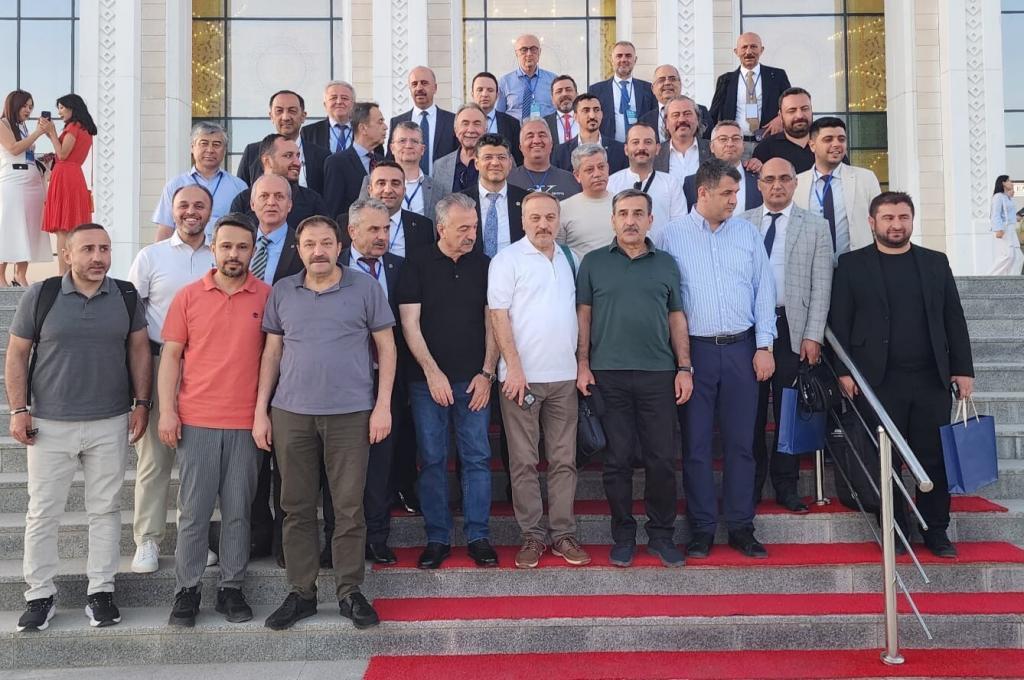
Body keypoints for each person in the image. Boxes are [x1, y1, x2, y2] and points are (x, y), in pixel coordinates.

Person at [6, 223, 150, 631]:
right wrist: (18, 409)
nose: (98, 257)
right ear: (67, 254)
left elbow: (140, 350)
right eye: (87, 249)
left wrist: (142, 404)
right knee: (42, 512)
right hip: (49, 424)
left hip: (109, 421)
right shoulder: (42, 294)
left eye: (104, 248)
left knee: (105, 510)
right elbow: (16, 354)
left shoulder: (125, 295)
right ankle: (39, 595)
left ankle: (101, 591)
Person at [256, 215, 396, 631]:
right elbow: (271, 353)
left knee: (349, 507)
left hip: (351, 414)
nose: (318, 251)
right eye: (309, 244)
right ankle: (301, 592)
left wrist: (383, 406)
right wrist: (261, 411)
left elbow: (387, 349)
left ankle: (350, 591)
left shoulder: (365, 288)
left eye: (326, 243)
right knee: (295, 507)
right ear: (298, 249)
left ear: (340, 246)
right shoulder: (283, 291)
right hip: (291, 413)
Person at [829, 192, 974, 558]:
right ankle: (896, 528)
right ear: (872, 222)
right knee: (884, 459)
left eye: (903, 217)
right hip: (876, 381)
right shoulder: (851, 265)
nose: (896, 225)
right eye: (888, 218)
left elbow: (953, 318)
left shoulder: (935, 262)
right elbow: (840, 321)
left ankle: (936, 529)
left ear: (912, 220)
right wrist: (844, 372)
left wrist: (963, 369)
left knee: (933, 457)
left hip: (931, 379)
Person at [658, 159, 776, 560]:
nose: (734, 200)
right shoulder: (671, 236)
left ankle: (742, 526)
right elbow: (666, 300)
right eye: (727, 193)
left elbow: (763, 290)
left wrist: (764, 346)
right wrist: (679, 362)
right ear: (702, 193)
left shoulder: (747, 233)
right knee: (695, 445)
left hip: (743, 350)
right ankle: (702, 528)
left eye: (736, 192)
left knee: (742, 443)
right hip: (696, 353)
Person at [161, 214, 271, 627]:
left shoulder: (267, 296)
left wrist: (263, 415)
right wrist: (167, 410)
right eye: (226, 246)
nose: (233, 254)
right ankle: (186, 591)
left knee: (239, 511)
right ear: (213, 248)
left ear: (253, 250)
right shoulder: (188, 297)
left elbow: (272, 358)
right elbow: (171, 357)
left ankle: (231, 588)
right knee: (194, 511)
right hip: (198, 420)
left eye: (242, 247)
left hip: (245, 423)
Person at [576, 189, 692, 568]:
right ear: (612, 220)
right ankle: (623, 535)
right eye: (623, 213)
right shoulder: (593, 263)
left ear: (650, 220)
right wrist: (582, 364)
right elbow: (583, 317)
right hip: (607, 375)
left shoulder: (667, 264)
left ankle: (661, 535)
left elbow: (676, 317)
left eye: (638, 213)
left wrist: (685, 367)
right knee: (617, 460)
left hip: (659, 374)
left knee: (662, 459)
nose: (630, 220)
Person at [397, 193, 500, 570]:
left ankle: (478, 537)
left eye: (474, 227)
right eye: (463, 228)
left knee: (477, 458)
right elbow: (409, 324)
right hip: (428, 384)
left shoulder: (485, 265)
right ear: (441, 228)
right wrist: (432, 372)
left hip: (475, 382)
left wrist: (487, 373)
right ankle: (437, 538)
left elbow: (493, 321)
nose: (471, 234)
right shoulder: (417, 263)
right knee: (433, 459)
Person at [489, 191, 590, 568]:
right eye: (535, 218)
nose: (543, 224)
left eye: (550, 217)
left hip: (564, 377)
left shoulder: (571, 258)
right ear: (523, 221)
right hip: (521, 381)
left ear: (559, 220)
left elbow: (581, 314)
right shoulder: (506, 260)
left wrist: (582, 362)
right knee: (524, 462)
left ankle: (563, 534)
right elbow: (498, 316)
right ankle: (532, 536)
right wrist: (513, 368)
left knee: (564, 460)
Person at [128, 184, 217, 575]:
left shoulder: (220, 254)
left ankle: (191, 538)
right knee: (154, 458)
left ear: (210, 211)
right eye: (183, 205)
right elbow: (132, 320)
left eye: (199, 205)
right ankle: (147, 539)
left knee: (198, 462)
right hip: (160, 361)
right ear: (172, 210)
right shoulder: (151, 256)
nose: (191, 212)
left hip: (208, 370)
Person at [738, 157, 833, 512]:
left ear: (795, 183)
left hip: (792, 327)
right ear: (759, 184)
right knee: (751, 411)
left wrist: (814, 335)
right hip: (749, 330)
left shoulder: (815, 226)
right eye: (769, 179)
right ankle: (750, 483)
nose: (776, 185)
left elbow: (822, 285)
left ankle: (786, 484)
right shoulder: (741, 223)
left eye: (784, 179)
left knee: (789, 409)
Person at [338, 198, 409, 564]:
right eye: (373, 229)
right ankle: (339, 539)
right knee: (340, 465)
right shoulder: (333, 267)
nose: (382, 236)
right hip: (342, 381)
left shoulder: (400, 267)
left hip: (387, 379)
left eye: (386, 228)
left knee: (381, 463)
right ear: (352, 231)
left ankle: (377, 537)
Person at [246, 174, 305, 565]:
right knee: (250, 462)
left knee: (287, 460)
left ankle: (287, 541)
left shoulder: (304, 247)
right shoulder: (238, 243)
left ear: (289, 205)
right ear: (252, 203)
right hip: (240, 363)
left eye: (279, 196)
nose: (271, 202)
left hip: (290, 365)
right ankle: (256, 534)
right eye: (264, 196)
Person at [794, 117, 881, 259]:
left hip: (857, 263)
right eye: (828, 139)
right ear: (812, 145)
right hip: (811, 265)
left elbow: (879, 223)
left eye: (841, 139)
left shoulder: (865, 178)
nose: (836, 144)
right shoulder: (797, 184)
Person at [152, 121, 247, 242]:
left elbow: (246, 229)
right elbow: (166, 228)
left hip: (223, 252)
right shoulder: (175, 185)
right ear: (192, 147)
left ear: (224, 150)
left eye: (216, 144)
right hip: (183, 251)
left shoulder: (239, 186)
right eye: (204, 144)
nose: (210, 150)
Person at [0, 90, 52, 287]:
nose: (28, 110)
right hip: (13, 182)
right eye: (25, 106)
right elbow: (14, 149)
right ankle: (1, 275)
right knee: (9, 226)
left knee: (29, 228)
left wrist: (43, 159)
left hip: (32, 183)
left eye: (30, 107)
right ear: (14, 105)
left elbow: (26, 153)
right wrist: (38, 133)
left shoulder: (22, 127)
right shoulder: (2, 124)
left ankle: (20, 274)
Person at [42, 94, 96, 275]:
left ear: (72, 107)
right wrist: (52, 135)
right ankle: (72, 273)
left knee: (63, 230)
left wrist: (52, 133)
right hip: (75, 176)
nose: (59, 112)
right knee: (71, 228)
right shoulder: (84, 128)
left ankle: (62, 274)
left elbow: (63, 154)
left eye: (62, 108)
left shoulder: (73, 127)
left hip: (65, 175)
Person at [236, 90, 329, 195]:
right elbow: (242, 193)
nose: (285, 117)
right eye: (279, 111)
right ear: (271, 116)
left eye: (292, 111)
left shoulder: (322, 156)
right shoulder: (252, 153)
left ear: (303, 116)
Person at [607, 122, 686, 243]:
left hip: (661, 252)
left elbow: (679, 226)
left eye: (648, 142)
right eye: (635, 142)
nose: (641, 148)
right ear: (626, 149)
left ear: (657, 149)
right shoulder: (612, 183)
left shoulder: (671, 184)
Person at [338, 160, 435, 257]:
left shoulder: (423, 226)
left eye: (395, 184)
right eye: (381, 183)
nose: (388, 190)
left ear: (404, 191)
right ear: (370, 190)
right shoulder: (346, 223)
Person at [229, 134, 327, 230]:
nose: (297, 163)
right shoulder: (242, 201)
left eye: (298, 156)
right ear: (267, 161)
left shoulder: (312, 201)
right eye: (288, 155)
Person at [708, 33, 791, 144]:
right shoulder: (725, 80)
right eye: (744, 47)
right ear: (736, 52)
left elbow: (791, 104)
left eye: (753, 46)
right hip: (736, 143)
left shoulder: (777, 76)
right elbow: (713, 115)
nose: (748, 52)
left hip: (769, 141)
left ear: (761, 50)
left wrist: (781, 119)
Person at [462, 133, 530, 257]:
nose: (495, 163)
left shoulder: (526, 200)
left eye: (501, 157)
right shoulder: (461, 201)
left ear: (510, 163)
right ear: (476, 163)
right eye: (488, 157)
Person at [323, 101, 388, 219]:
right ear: (363, 128)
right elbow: (333, 210)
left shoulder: (384, 163)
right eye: (380, 122)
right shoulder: (337, 163)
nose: (385, 127)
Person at [386, 67, 457, 173]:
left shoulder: (452, 121)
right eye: (414, 84)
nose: (419, 88)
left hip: (443, 182)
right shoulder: (397, 122)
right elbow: (390, 160)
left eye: (424, 83)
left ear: (435, 88)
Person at [683, 120, 762, 212]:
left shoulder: (759, 179)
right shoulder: (692, 183)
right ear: (712, 146)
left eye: (736, 138)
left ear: (743, 145)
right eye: (723, 139)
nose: (730, 144)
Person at [589, 42, 656, 143]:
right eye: (619, 56)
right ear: (612, 60)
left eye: (628, 56)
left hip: (640, 148)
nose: (623, 59)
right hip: (608, 148)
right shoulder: (596, 90)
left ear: (635, 60)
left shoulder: (648, 89)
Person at [558, 143, 614, 259]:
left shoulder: (623, 205)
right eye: (589, 170)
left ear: (608, 168)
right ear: (577, 175)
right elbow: (558, 253)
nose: (597, 174)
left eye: (601, 167)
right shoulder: (562, 209)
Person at [382, 121, 445, 222]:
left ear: (422, 149)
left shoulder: (438, 189)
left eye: (414, 141)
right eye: (402, 141)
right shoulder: (372, 181)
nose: (408, 146)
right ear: (392, 148)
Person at [552, 93, 628, 173]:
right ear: (575, 117)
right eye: (586, 111)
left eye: (596, 110)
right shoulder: (560, 153)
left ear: (601, 114)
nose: (592, 116)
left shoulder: (619, 150)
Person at [508, 119, 582, 200]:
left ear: (551, 144)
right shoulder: (508, 180)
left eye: (542, 135)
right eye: (530, 136)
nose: (536, 141)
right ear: (520, 147)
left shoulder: (570, 180)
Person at [640, 65, 713, 144]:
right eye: (661, 80)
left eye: (672, 79)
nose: (667, 83)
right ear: (653, 89)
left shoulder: (701, 112)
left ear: (680, 84)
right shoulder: (644, 120)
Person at [752, 88, 816, 173]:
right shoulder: (766, 148)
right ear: (780, 115)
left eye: (804, 109)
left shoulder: (826, 142)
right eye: (792, 111)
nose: (799, 115)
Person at [498, 34, 558, 121]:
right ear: (516, 53)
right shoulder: (504, 82)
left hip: (546, 128)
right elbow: (499, 114)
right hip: (514, 129)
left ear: (539, 52)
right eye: (524, 50)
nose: (529, 54)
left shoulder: (553, 80)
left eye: (533, 49)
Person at [431, 104, 488, 194]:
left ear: (486, 130)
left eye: (477, 124)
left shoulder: (496, 163)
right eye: (465, 123)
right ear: (455, 129)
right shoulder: (440, 166)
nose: (470, 130)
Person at [653, 96, 711, 183]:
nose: (682, 119)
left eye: (687, 114)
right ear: (666, 123)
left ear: (697, 119)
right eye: (675, 115)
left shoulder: (713, 150)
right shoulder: (655, 154)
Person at [472, 71, 522, 159]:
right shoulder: (462, 123)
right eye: (480, 90)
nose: (485, 94)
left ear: (497, 95)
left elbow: (517, 159)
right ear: (472, 94)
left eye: (490, 90)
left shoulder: (512, 124)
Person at [301, 81, 357, 153]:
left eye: (344, 98)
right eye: (333, 98)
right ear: (325, 104)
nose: (339, 102)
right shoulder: (308, 132)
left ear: (353, 104)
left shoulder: (365, 131)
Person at [989, 174, 1023, 276]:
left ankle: (1011, 279)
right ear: (1003, 183)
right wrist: (998, 229)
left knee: (1019, 257)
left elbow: (1009, 215)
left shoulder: (1007, 198)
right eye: (1009, 181)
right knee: (1008, 256)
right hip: (1004, 229)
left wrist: (1018, 217)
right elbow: (995, 214)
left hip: (1011, 229)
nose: (1011, 183)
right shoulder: (998, 197)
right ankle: (990, 277)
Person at [543, 75, 579, 145]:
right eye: (559, 91)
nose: (564, 94)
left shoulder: (587, 118)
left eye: (568, 90)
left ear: (577, 95)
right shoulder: (544, 123)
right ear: (552, 99)